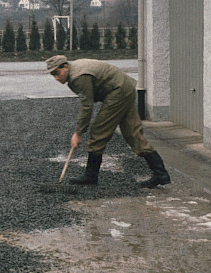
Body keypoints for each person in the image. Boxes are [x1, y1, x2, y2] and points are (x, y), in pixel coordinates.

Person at [46, 55, 170, 188]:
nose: (56, 78)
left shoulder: (77, 77)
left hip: (117, 91)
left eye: (57, 73)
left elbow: (87, 106)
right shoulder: (75, 70)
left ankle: (91, 175)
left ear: (65, 67)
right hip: (125, 87)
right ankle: (161, 174)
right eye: (53, 75)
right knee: (132, 133)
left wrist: (78, 132)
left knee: (99, 130)